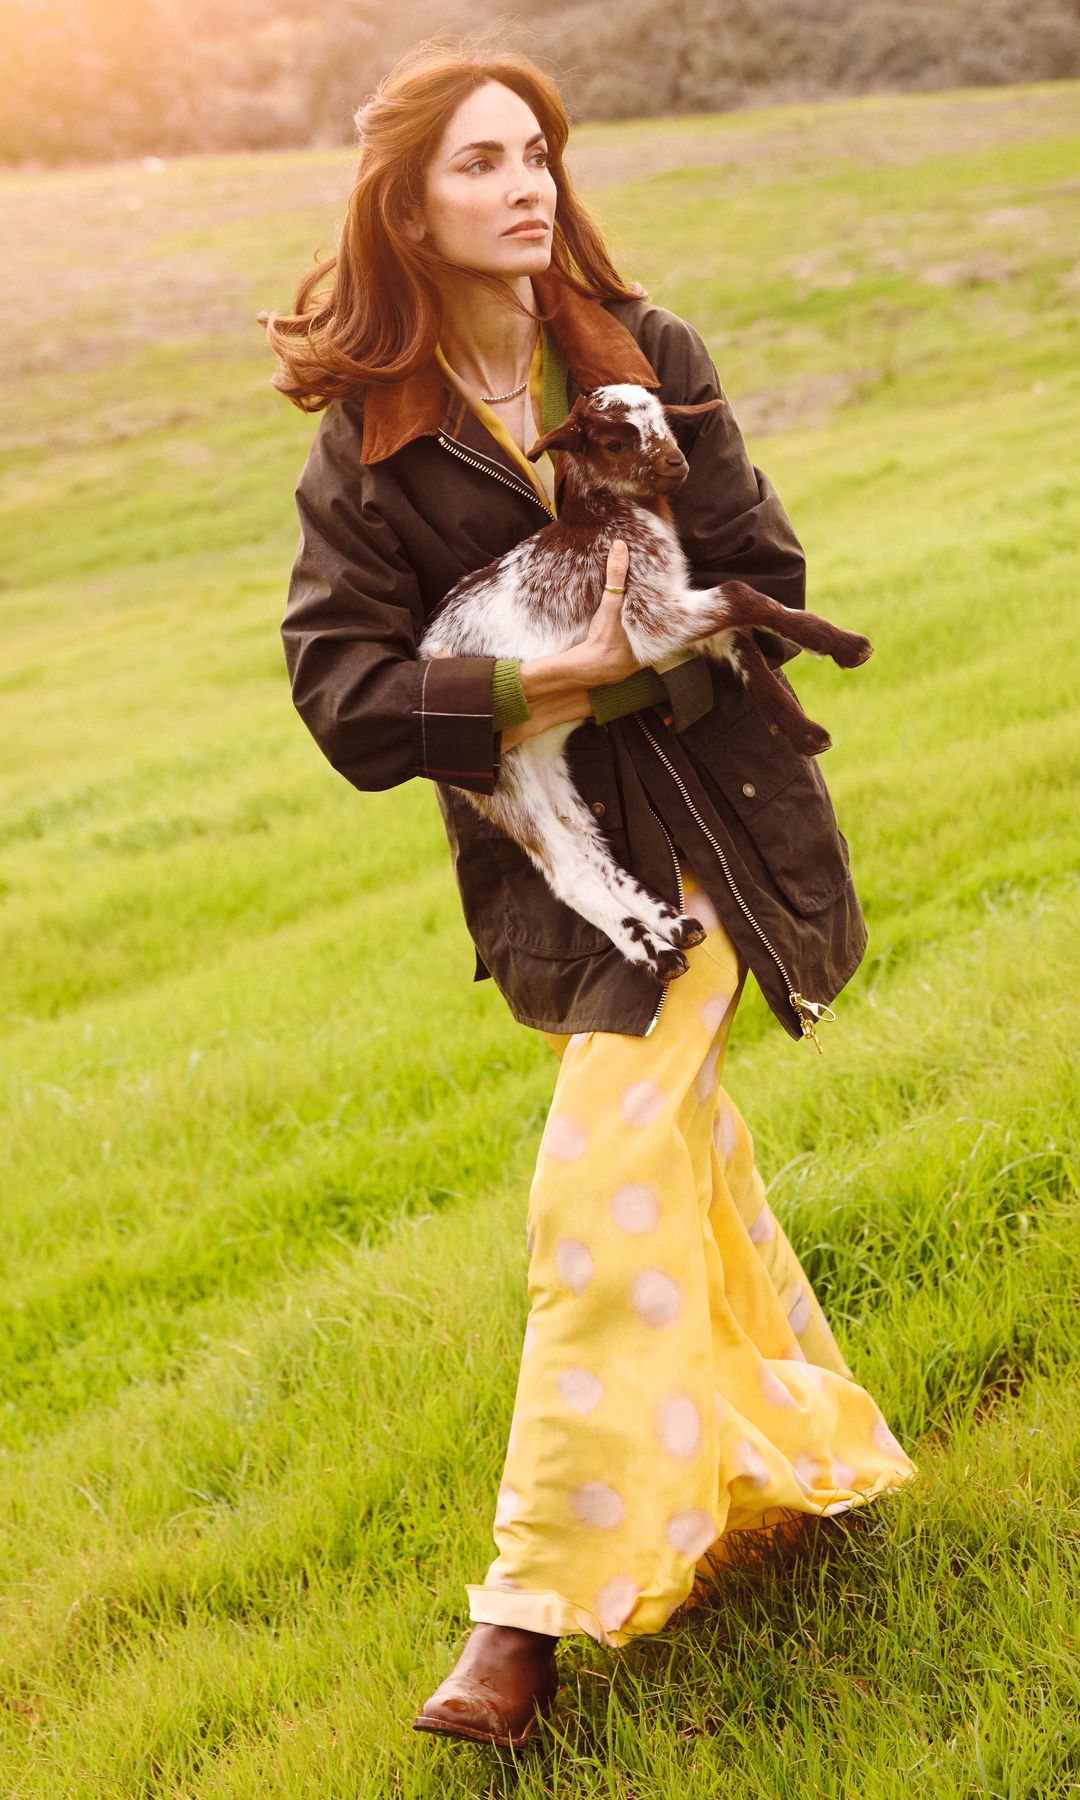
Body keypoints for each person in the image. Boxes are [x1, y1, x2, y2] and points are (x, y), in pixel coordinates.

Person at [263, 39, 918, 1752]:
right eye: (479, 162)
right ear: (407, 204)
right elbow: (344, 701)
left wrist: (643, 656)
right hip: (575, 874)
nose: (525, 182)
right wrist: (539, 684)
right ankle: (805, 1449)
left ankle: (523, 1615)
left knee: (594, 1192)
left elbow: (764, 580)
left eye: (536, 150)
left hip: (719, 842)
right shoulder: (374, 452)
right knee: (673, 1169)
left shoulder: (650, 362)